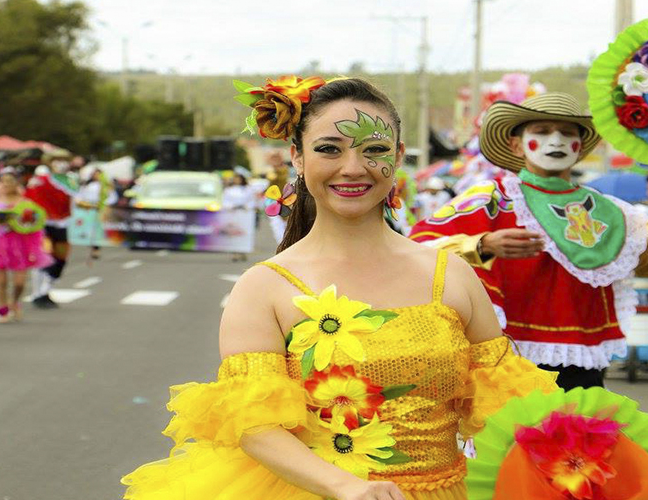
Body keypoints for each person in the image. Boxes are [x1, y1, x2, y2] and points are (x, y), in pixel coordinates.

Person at [121, 77, 561, 500]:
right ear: (296, 157)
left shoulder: (451, 274)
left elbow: (508, 400)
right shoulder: (266, 286)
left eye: (374, 150)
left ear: (400, 155)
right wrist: (344, 487)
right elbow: (253, 424)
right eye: (328, 149)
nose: (353, 168)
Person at [410, 93, 648, 390]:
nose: (556, 140)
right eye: (542, 131)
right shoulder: (492, 200)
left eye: (566, 132)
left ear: (580, 144)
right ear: (516, 145)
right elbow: (418, 251)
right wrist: (483, 244)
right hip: (507, 361)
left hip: (583, 367)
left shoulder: (612, 213)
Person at [0, 169, 53, 322]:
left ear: (17, 182)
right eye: (3, 181)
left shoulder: (25, 203)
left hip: (19, 245)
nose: (7, 184)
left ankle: (15, 302)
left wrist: (25, 223)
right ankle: (2, 309)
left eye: (10, 181)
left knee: (19, 283)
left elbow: (36, 222)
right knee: (1, 281)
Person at [24, 149, 78, 309]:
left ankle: (46, 290)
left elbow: (75, 201)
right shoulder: (40, 180)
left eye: (64, 160)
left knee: (60, 260)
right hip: (43, 225)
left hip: (62, 224)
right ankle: (37, 294)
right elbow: (30, 200)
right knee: (43, 259)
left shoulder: (70, 181)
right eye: (57, 160)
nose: (61, 164)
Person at [74, 165, 118, 260]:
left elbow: (113, 198)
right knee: (88, 228)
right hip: (88, 209)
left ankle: (96, 248)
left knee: (97, 229)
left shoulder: (106, 186)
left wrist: (103, 204)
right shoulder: (86, 185)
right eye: (95, 174)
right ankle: (91, 244)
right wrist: (83, 204)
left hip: (100, 209)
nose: (96, 176)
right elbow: (79, 196)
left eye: (98, 174)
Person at [222, 173, 256, 262]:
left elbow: (252, 201)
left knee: (244, 232)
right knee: (234, 233)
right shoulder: (229, 190)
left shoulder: (248, 189)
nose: (237, 180)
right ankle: (234, 253)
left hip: (245, 214)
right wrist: (231, 206)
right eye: (235, 179)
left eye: (239, 179)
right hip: (233, 213)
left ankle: (243, 252)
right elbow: (225, 201)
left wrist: (247, 206)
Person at [266, 151, 291, 244]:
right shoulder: (270, 170)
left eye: (276, 157)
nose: (275, 160)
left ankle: (287, 243)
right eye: (273, 158)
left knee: (286, 221)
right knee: (276, 222)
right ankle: (281, 243)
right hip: (272, 200)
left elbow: (279, 177)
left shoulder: (284, 169)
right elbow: (271, 178)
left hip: (284, 198)